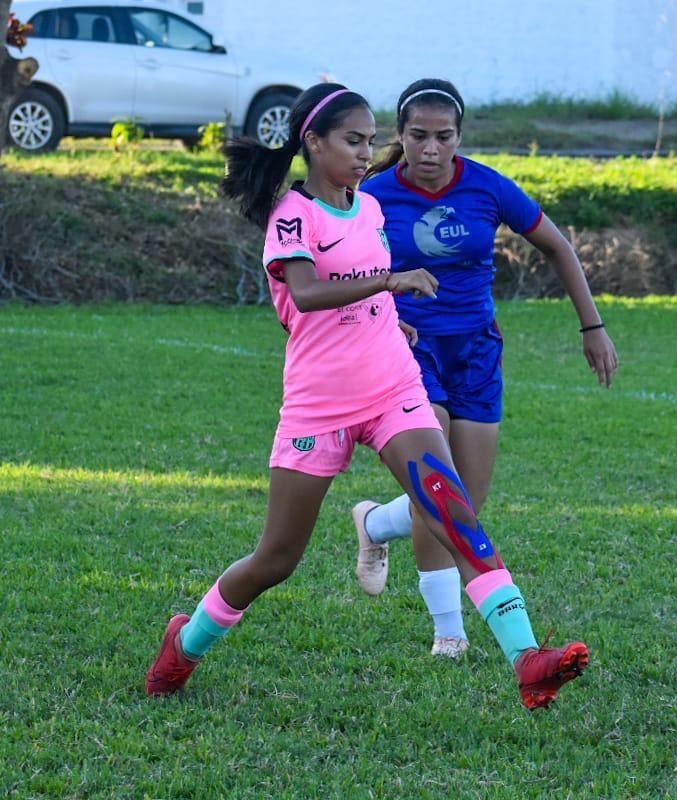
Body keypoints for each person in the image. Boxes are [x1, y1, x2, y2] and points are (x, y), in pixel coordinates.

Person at [144, 83, 589, 710]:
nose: (365, 153)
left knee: (454, 511)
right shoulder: (293, 216)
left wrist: (389, 315)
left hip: (392, 387)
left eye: (369, 140)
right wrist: (391, 280)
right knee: (276, 558)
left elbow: (360, 293)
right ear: (314, 142)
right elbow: (305, 294)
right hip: (318, 404)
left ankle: (527, 658)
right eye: (354, 141)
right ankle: (184, 645)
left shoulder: (369, 209)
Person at [347, 78, 618, 660]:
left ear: (459, 138)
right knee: (437, 482)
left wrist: (591, 327)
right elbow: (341, 269)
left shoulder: (487, 186)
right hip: (407, 349)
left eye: (443, 137)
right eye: (418, 135)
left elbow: (559, 247)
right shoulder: (372, 197)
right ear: (401, 135)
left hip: (478, 350)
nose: (430, 149)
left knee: (463, 500)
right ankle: (450, 630)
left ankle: (374, 524)